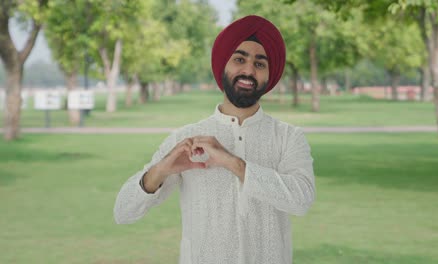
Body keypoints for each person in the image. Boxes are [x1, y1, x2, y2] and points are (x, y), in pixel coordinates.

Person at [114, 15, 315, 264]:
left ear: (268, 75)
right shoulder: (186, 139)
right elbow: (123, 212)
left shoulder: (288, 137)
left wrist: (234, 164)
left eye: (260, 64)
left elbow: (302, 200)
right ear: (223, 66)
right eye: (240, 59)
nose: (248, 71)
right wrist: (161, 169)